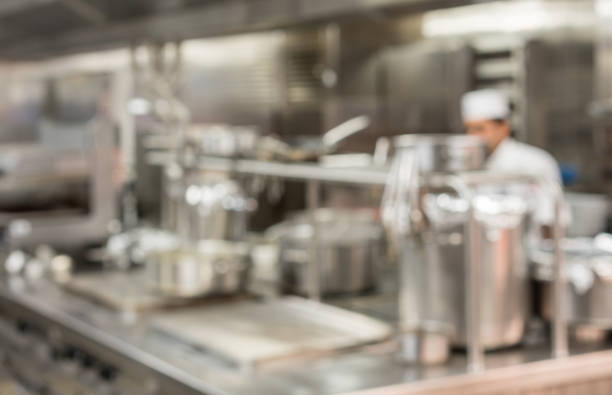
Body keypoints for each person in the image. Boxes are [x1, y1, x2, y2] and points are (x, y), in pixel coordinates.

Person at [461, 89, 567, 236]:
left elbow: (550, 220)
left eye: (480, 129)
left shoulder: (535, 162)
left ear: (504, 127)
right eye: (469, 129)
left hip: (526, 251)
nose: (473, 137)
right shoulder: (469, 165)